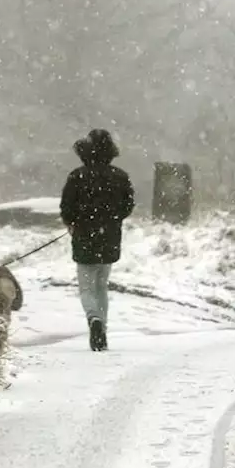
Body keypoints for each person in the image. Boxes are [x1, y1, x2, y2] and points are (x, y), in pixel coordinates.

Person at [59, 129, 135, 352]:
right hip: (110, 237)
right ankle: (103, 327)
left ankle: (94, 320)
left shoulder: (77, 176)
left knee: (86, 286)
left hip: (84, 236)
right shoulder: (120, 176)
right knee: (102, 285)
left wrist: (73, 223)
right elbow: (127, 206)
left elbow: (67, 207)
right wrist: (111, 220)